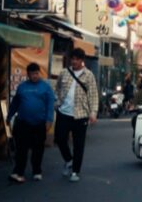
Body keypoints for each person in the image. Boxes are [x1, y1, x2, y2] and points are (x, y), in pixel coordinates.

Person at [53, 48, 99, 182]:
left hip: (81, 114)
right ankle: (68, 160)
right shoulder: (64, 73)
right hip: (64, 112)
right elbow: (57, 88)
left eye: (77, 59)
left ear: (82, 60)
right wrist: (57, 102)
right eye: (72, 59)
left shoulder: (88, 75)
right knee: (60, 138)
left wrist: (93, 112)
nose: (74, 61)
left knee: (79, 144)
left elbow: (93, 95)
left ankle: (75, 171)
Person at [7, 63, 55, 183]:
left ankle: (37, 171)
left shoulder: (46, 87)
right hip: (23, 122)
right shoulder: (22, 87)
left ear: (39, 73)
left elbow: (50, 105)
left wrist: (49, 120)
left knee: (38, 149)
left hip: (39, 123)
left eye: (36, 73)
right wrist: (9, 116)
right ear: (28, 75)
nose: (35, 76)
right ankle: (19, 172)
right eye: (32, 74)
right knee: (21, 149)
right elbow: (15, 103)